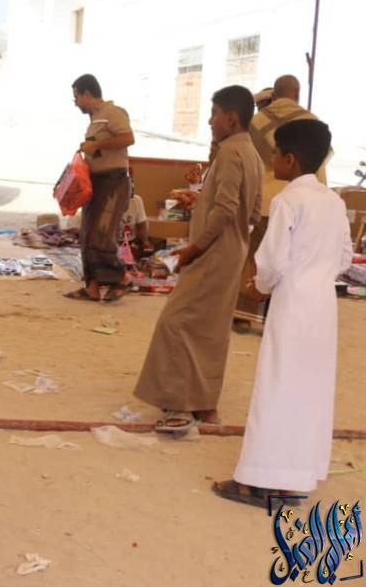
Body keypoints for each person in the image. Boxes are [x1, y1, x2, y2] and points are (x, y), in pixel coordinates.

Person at [213, 120, 352, 506]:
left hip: (292, 303)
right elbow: (344, 257)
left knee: (275, 388)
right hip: (322, 307)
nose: (272, 160)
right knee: (309, 390)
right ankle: (294, 480)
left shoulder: (287, 201)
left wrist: (258, 286)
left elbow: (272, 261)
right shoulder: (334, 202)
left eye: (275, 154)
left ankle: (256, 482)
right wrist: (317, 272)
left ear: (290, 159)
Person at [134, 85, 263, 433]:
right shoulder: (251, 153)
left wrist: (196, 247)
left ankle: (180, 404)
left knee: (176, 322)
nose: (209, 121)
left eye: (214, 114)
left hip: (214, 251)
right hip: (232, 250)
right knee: (210, 328)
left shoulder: (232, 153)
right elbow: (252, 211)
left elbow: (226, 208)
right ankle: (206, 405)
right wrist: (206, 205)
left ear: (231, 118)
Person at [236, 74, 326, 325]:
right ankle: (274, 316)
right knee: (290, 260)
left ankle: (243, 314)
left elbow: (244, 161)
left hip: (262, 200)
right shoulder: (312, 122)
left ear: (274, 95)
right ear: (297, 93)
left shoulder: (254, 122)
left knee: (254, 257)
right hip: (302, 202)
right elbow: (319, 164)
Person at [66, 73, 135, 302]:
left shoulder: (113, 113)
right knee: (87, 235)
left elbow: (128, 138)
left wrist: (97, 145)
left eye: (76, 97)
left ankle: (122, 278)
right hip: (95, 182)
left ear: (87, 94)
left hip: (113, 182)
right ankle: (92, 286)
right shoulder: (95, 118)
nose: (75, 103)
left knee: (101, 235)